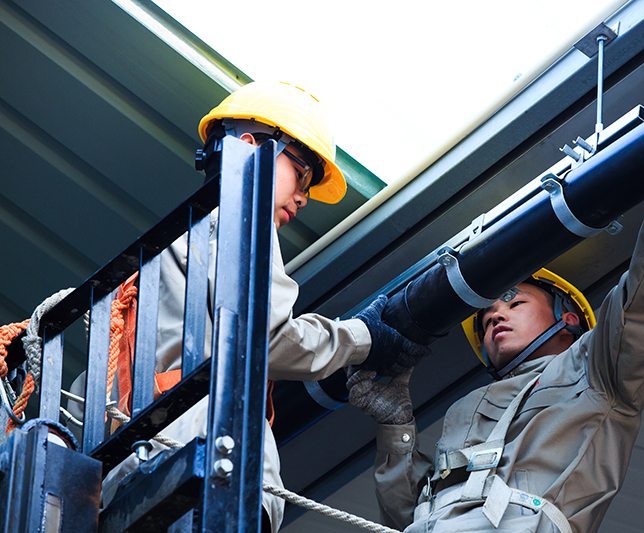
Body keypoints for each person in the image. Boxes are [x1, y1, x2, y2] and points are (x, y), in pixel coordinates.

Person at [346, 105, 644, 532]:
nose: (495, 314)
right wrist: (396, 429)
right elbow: (413, 517)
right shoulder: (464, 411)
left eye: (514, 303)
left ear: (568, 318)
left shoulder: (597, 370)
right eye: (483, 319)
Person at [73, 81, 428, 532]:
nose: (303, 196)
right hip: (201, 465)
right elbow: (271, 338)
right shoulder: (242, 218)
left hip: (124, 479)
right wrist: (363, 337)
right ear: (249, 147)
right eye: (302, 173)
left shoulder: (172, 246)